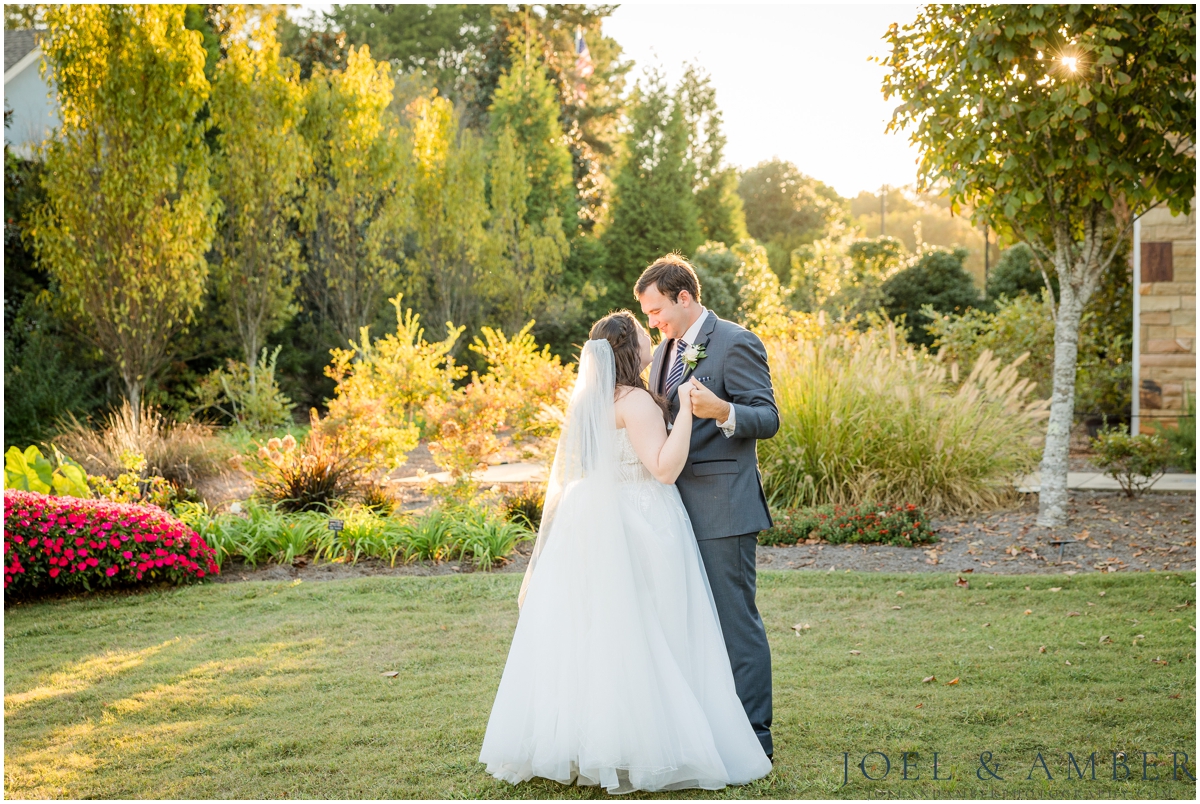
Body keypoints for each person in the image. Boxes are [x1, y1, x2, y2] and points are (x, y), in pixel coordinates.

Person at [478, 310, 772, 795]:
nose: (652, 339)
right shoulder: (636, 400)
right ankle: (655, 739)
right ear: (627, 353)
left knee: (598, 633)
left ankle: (583, 741)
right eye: (643, 334)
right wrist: (683, 410)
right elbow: (662, 469)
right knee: (653, 629)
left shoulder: (588, 403)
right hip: (643, 518)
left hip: (592, 519)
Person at [637, 254, 779, 760]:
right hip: (670, 510)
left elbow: (768, 417)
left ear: (684, 297)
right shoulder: (660, 355)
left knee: (734, 620)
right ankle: (705, 727)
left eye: (657, 311)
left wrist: (724, 411)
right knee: (687, 620)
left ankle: (754, 738)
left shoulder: (736, 341)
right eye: (648, 316)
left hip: (723, 508)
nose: (653, 323)